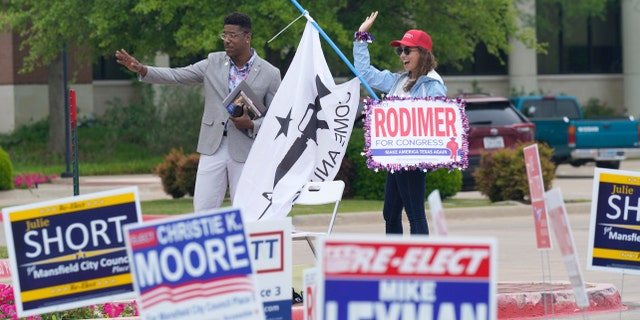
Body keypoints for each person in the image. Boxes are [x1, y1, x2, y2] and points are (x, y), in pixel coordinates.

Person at [115, 12, 281, 213]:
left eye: (232, 36)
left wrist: (251, 125)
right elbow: (178, 75)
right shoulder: (213, 62)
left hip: (246, 148)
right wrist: (142, 70)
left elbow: (276, 117)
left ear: (247, 37)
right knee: (203, 210)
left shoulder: (270, 73)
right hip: (213, 146)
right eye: (224, 35)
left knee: (246, 212)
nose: (226, 41)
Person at [353, 11, 447, 235]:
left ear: (422, 53)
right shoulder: (400, 80)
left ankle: (418, 266)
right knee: (390, 214)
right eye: (400, 50)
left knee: (415, 214)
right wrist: (361, 37)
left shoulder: (433, 85)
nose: (402, 55)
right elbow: (365, 73)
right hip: (394, 156)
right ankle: (395, 262)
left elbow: (437, 123)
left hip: (414, 159)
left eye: (407, 50)